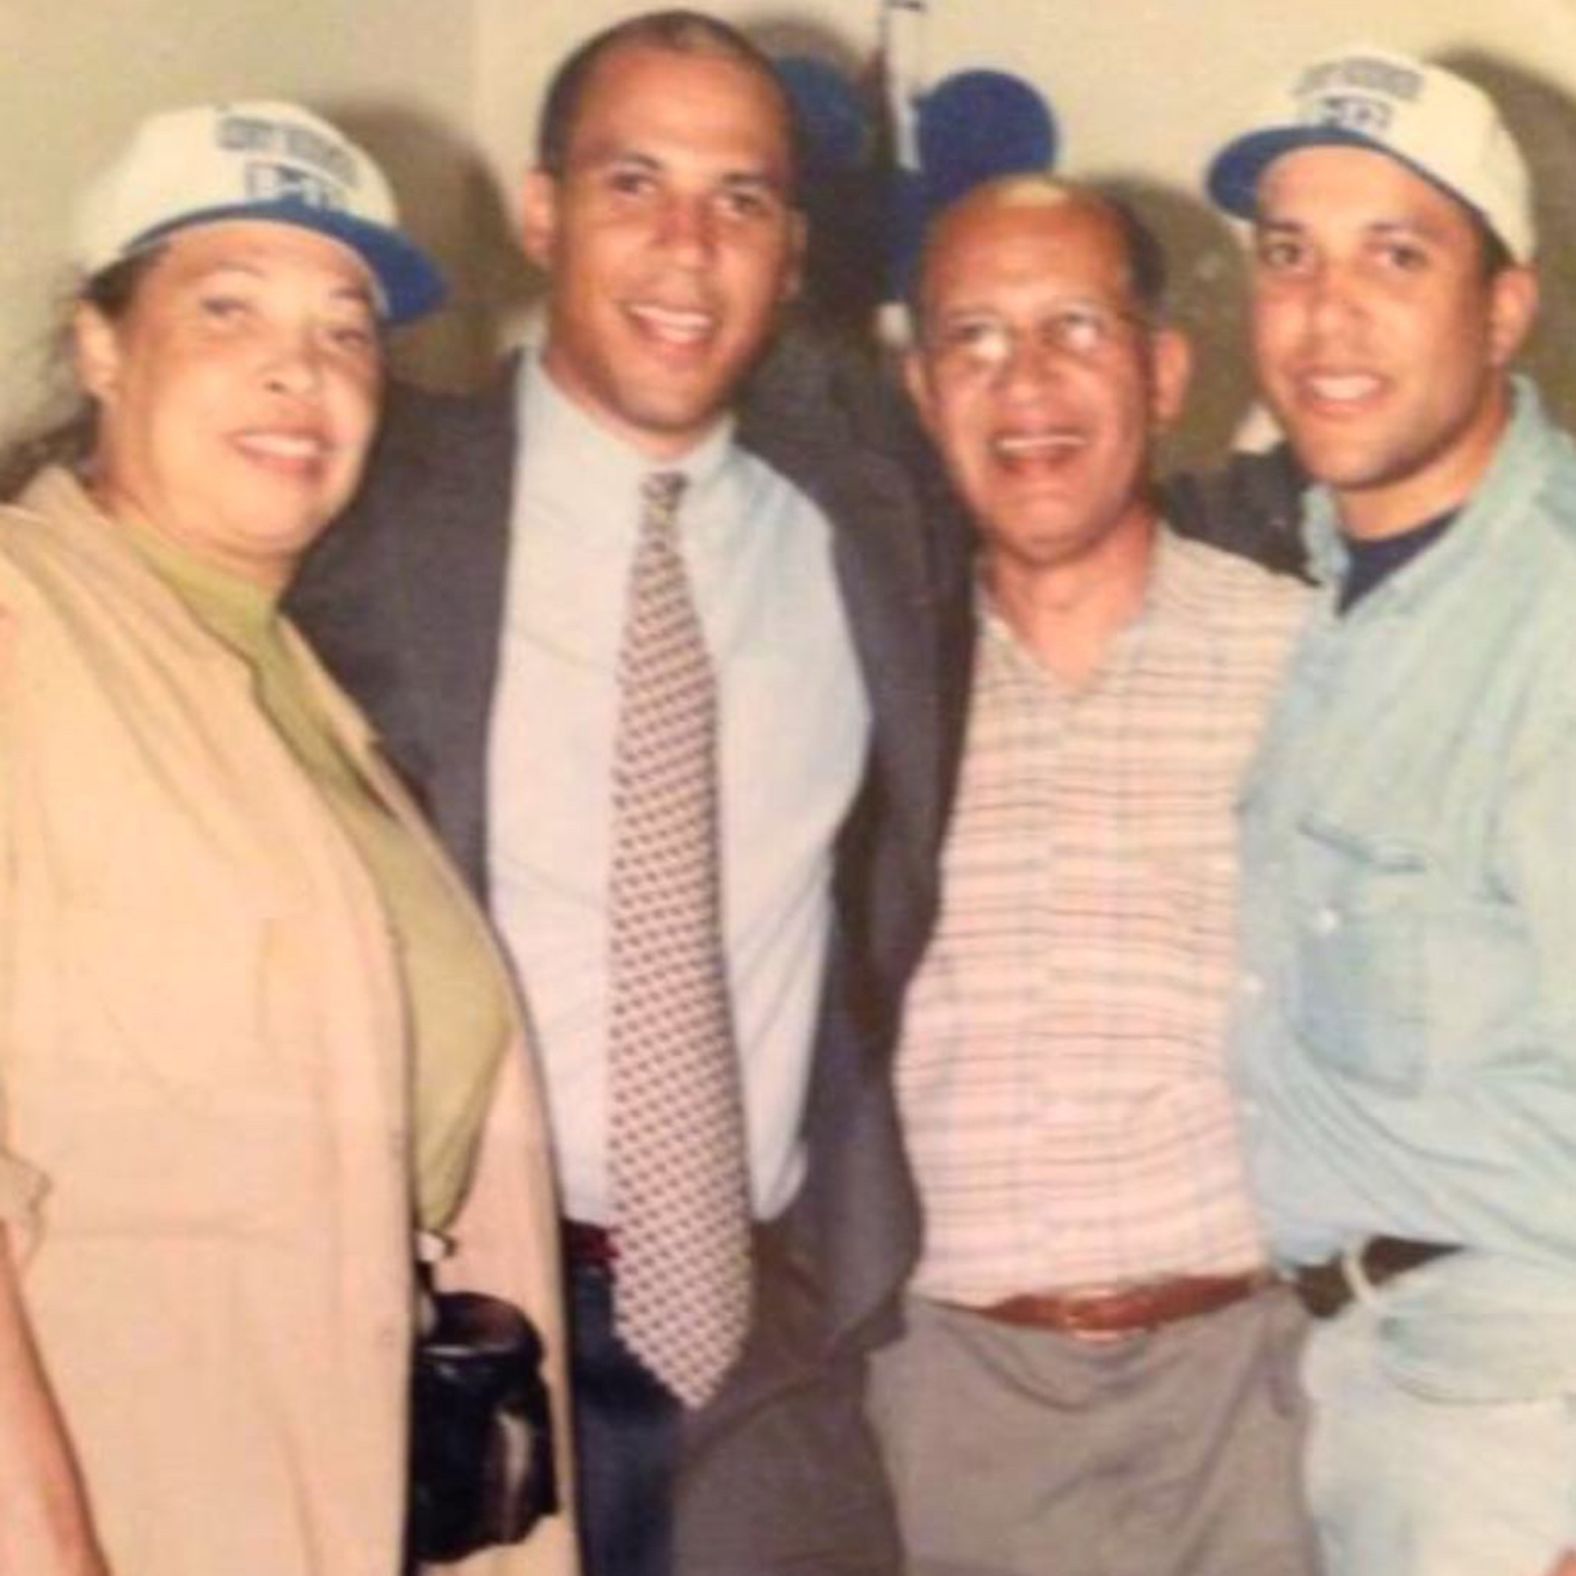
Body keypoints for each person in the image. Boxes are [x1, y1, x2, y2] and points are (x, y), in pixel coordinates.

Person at [287, 12, 968, 1576]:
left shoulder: (865, 525)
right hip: (454, 1314)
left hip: (762, 1320)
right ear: (540, 212)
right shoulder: (373, 512)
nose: (687, 247)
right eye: (632, 183)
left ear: (793, 249)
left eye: (741, 199)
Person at [0, 101, 575, 1576]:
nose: (298, 370)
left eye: (345, 329)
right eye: (229, 308)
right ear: (103, 345)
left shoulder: (306, 694)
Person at [865, 174, 1317, 1576]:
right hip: (957, 1407)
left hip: (1260, 1399)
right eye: (976, 340)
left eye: (1074, 327)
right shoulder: (859, 674)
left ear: (1165, 369)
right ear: (921, 388)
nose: (1027, 384)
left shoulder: (1306, 659)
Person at [1206, 46, 1576, 1576]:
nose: (1326, 311)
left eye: (1396, 254)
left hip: (1520, 1441)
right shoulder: (1305, 588)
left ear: (1505, 308)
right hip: (1341, 1398)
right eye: (1290, 254)